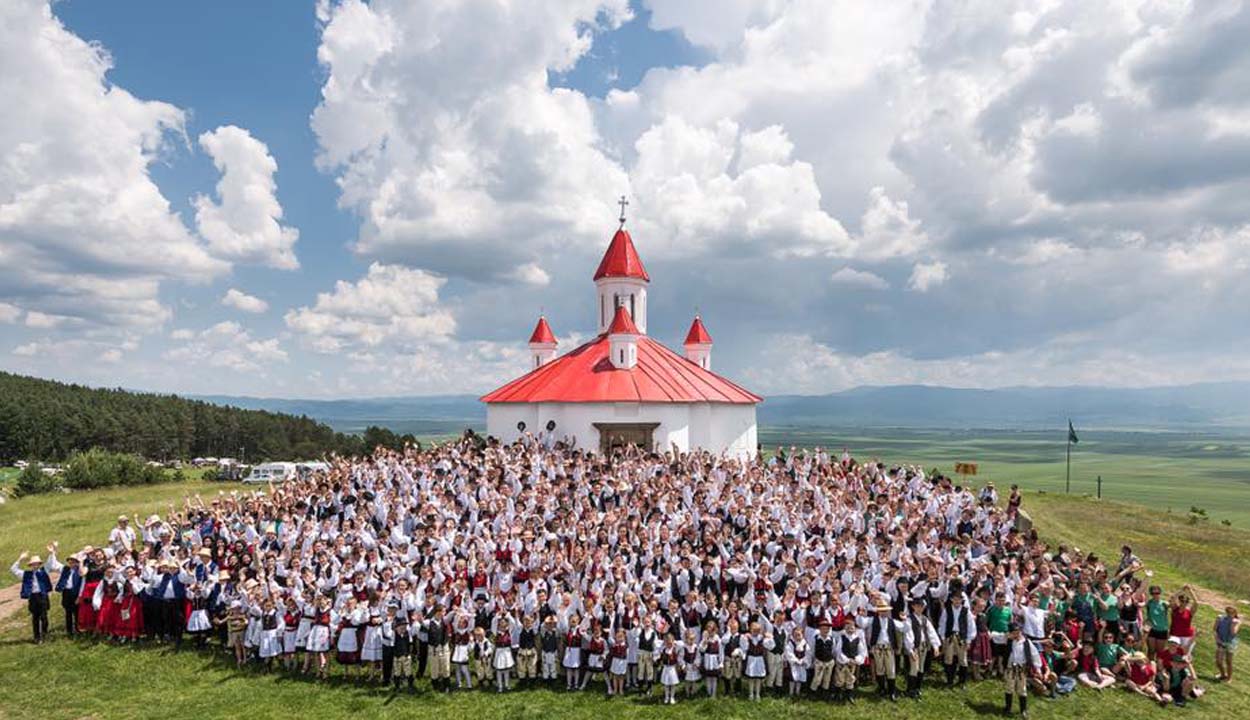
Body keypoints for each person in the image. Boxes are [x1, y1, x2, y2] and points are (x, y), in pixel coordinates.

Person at [12, 545, 59, 644]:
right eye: (33, 564)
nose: (35, 565)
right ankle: (37, 637)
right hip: (33, 597)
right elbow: (14, 569)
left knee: (44, 616)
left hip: (42, 595)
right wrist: (20, 559)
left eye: (37, 564)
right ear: (31, 565)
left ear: (39, 564)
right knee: (35, 618)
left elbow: (51, 563)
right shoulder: (26, 574)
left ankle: (45, 634)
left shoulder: (43, 570)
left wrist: (51, 552)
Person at [1003, 624, 1041, 718]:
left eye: (1018, 632)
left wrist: (1038, 668)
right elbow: (997, 636)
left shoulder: (1026, 642)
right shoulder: (1008, 640)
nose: (1016, 634)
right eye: (1014, 633)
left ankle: (1023, 710)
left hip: (1022, 669)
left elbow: (1035, 654)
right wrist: (1006, 636)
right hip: (1010, 667)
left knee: (1022, 689)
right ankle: (1008, 708)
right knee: (1009, 687)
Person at [54, 551, 82, 638]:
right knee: (68, 612)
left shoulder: (79, 570)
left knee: (77, 612)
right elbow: (54, 564)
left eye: (73, 561)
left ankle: (78, 630)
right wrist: (53, 552)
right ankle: (69, 631)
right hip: (66, 593)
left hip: (75, 593)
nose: (71, 563)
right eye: (70, 561)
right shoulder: (65, 569)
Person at [1215, 606, 1241, 683]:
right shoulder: (1220, 618)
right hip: (1221, 642)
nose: (1229, 614)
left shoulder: (1237, 621)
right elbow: (1214, 629)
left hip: (1231, 643)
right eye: (1228, 611)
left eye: (1232, 612)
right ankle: (1223, 675)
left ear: (1235, 613)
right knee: (1219, 661)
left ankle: (1229, 678)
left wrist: (1233, 624)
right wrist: (1217, 638)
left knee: (1228, 661)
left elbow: (1233, 633)